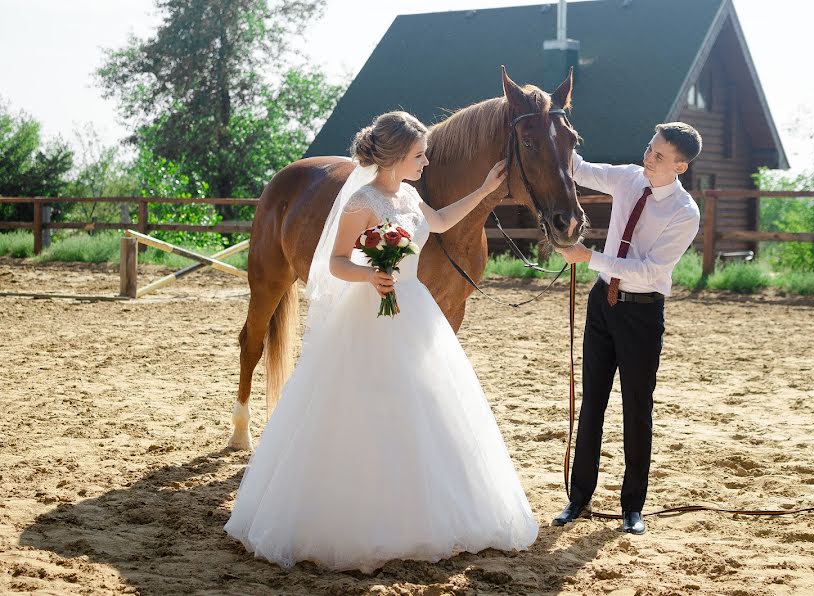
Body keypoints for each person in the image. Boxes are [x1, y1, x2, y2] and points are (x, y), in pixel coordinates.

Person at [224, 111, 538, 572]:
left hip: (412, 307)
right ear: (393, 159)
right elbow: (334, 263)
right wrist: (371, 274)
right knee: (366, 402)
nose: (427, 161)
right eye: (419, 154)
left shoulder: (410, 195)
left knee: (425, 401)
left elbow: (444, 222)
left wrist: (488, 189)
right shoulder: (362, 203)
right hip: (372, 308)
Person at [552, 122, 702, 535]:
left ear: (680, 165)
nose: (648, 158)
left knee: (637, 410)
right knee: (592, 404)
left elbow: (650, 271)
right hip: (603, 304)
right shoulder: (627, 178)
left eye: (658, 155)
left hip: (642, 315)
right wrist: (556, 125)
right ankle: (578, 498)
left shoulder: (684, 213)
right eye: (649, 148)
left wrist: (591, 258)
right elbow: (579, 168)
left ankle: (632, 507)